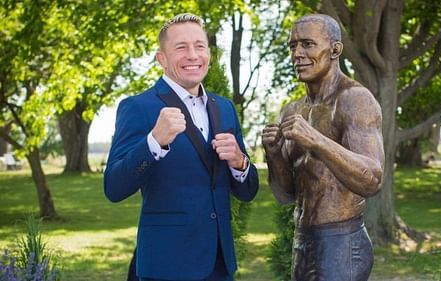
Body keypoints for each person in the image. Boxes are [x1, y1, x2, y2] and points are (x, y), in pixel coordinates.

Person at [104, 13, 259, 281]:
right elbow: (114, 188)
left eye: (199, 46)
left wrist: (240, 162)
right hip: (167, 265)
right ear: (161, 59)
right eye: (181, 47)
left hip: (220, 265)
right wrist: (153, 142)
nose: (192, 55)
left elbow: (247, 192)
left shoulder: (224, 108)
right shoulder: (139, 107)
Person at [262, 14, 384, 281]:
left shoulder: (354, 99)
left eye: (307, 44)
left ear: (335, 49)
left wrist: (317, 141)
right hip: (303, 239)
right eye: (292, 46)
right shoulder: (293, 110)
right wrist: (274, 156)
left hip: (342, 241)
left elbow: (373, 180)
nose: (297, 53)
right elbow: (286, 195)